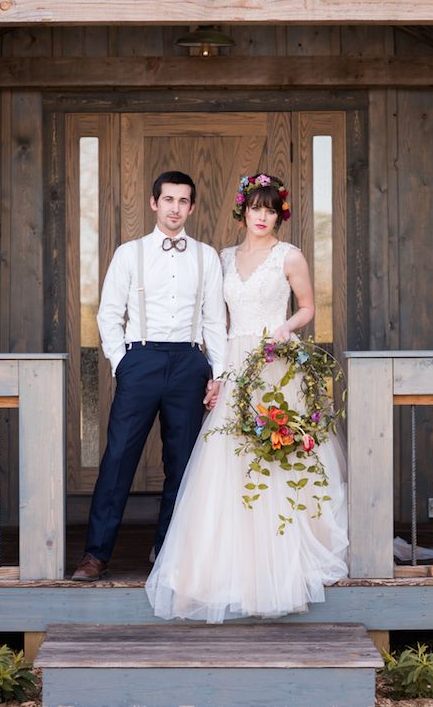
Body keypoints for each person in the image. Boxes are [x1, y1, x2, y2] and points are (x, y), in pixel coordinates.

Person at [146, 172, 348, 621]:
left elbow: (308, 306)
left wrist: (288, 327)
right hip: (236, 362)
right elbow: (213, 319)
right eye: (256, 208)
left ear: (279, 214)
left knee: (281, 456)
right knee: (228, 458)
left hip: (276, 361)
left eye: (271, 209)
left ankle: (282, 563)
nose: (263, 216)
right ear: (243, 211)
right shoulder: (222, 258)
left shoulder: (289, 256)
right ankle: (223, 567)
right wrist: (216, 374)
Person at [72, 171, 226, 581]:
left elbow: (214, 321)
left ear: (192, 207)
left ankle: (168, 550)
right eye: (168, 199)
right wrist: (121, 361)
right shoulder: (129, 253)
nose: (175, 208)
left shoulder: (206, 256)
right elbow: (108, 313)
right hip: (140, 360)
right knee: (119, 458)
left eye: (183, 201)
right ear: (154, 203)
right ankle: (96, 554)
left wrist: (220, 374)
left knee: (183, 463)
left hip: (190, 364)